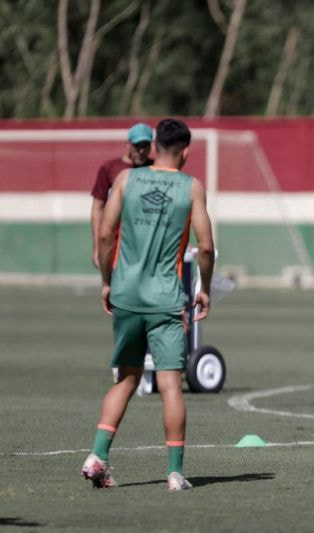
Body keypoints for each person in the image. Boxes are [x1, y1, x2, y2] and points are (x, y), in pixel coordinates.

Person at [81, 119, 215, 491]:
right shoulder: (191, 187)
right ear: (186, 151)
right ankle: (175, 473)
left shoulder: (124, 180)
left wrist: (107, 281)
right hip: (165, 300)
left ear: (154, 146)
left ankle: (97, 456)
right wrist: (204, 289)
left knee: (127, 378)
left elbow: (106, 233)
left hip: (126, 294)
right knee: (171, 384)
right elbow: (205, 246)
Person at [90, 123, 154, 269]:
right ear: (128, 145)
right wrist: (97, 246)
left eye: (145, 145)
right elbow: (98, 208)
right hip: (117, 245)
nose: (142, 150)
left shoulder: (156, 168)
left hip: (148, 245)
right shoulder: (110, 169)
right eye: (137, 146)